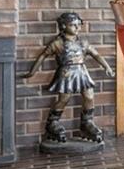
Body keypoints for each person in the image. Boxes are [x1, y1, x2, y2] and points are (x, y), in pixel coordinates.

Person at [26, 11, 110, 146]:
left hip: (82, 72)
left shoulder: (83, 42)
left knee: (89, 96)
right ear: (64, 26)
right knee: (64, 99)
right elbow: (43, 56)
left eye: (78, 25)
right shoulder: (58, 43)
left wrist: (107, 67)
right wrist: (32, 72)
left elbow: (96, 55)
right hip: (67, 73)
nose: (77, 28)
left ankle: (87, 122)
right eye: (73, 25)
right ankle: (52, 122)